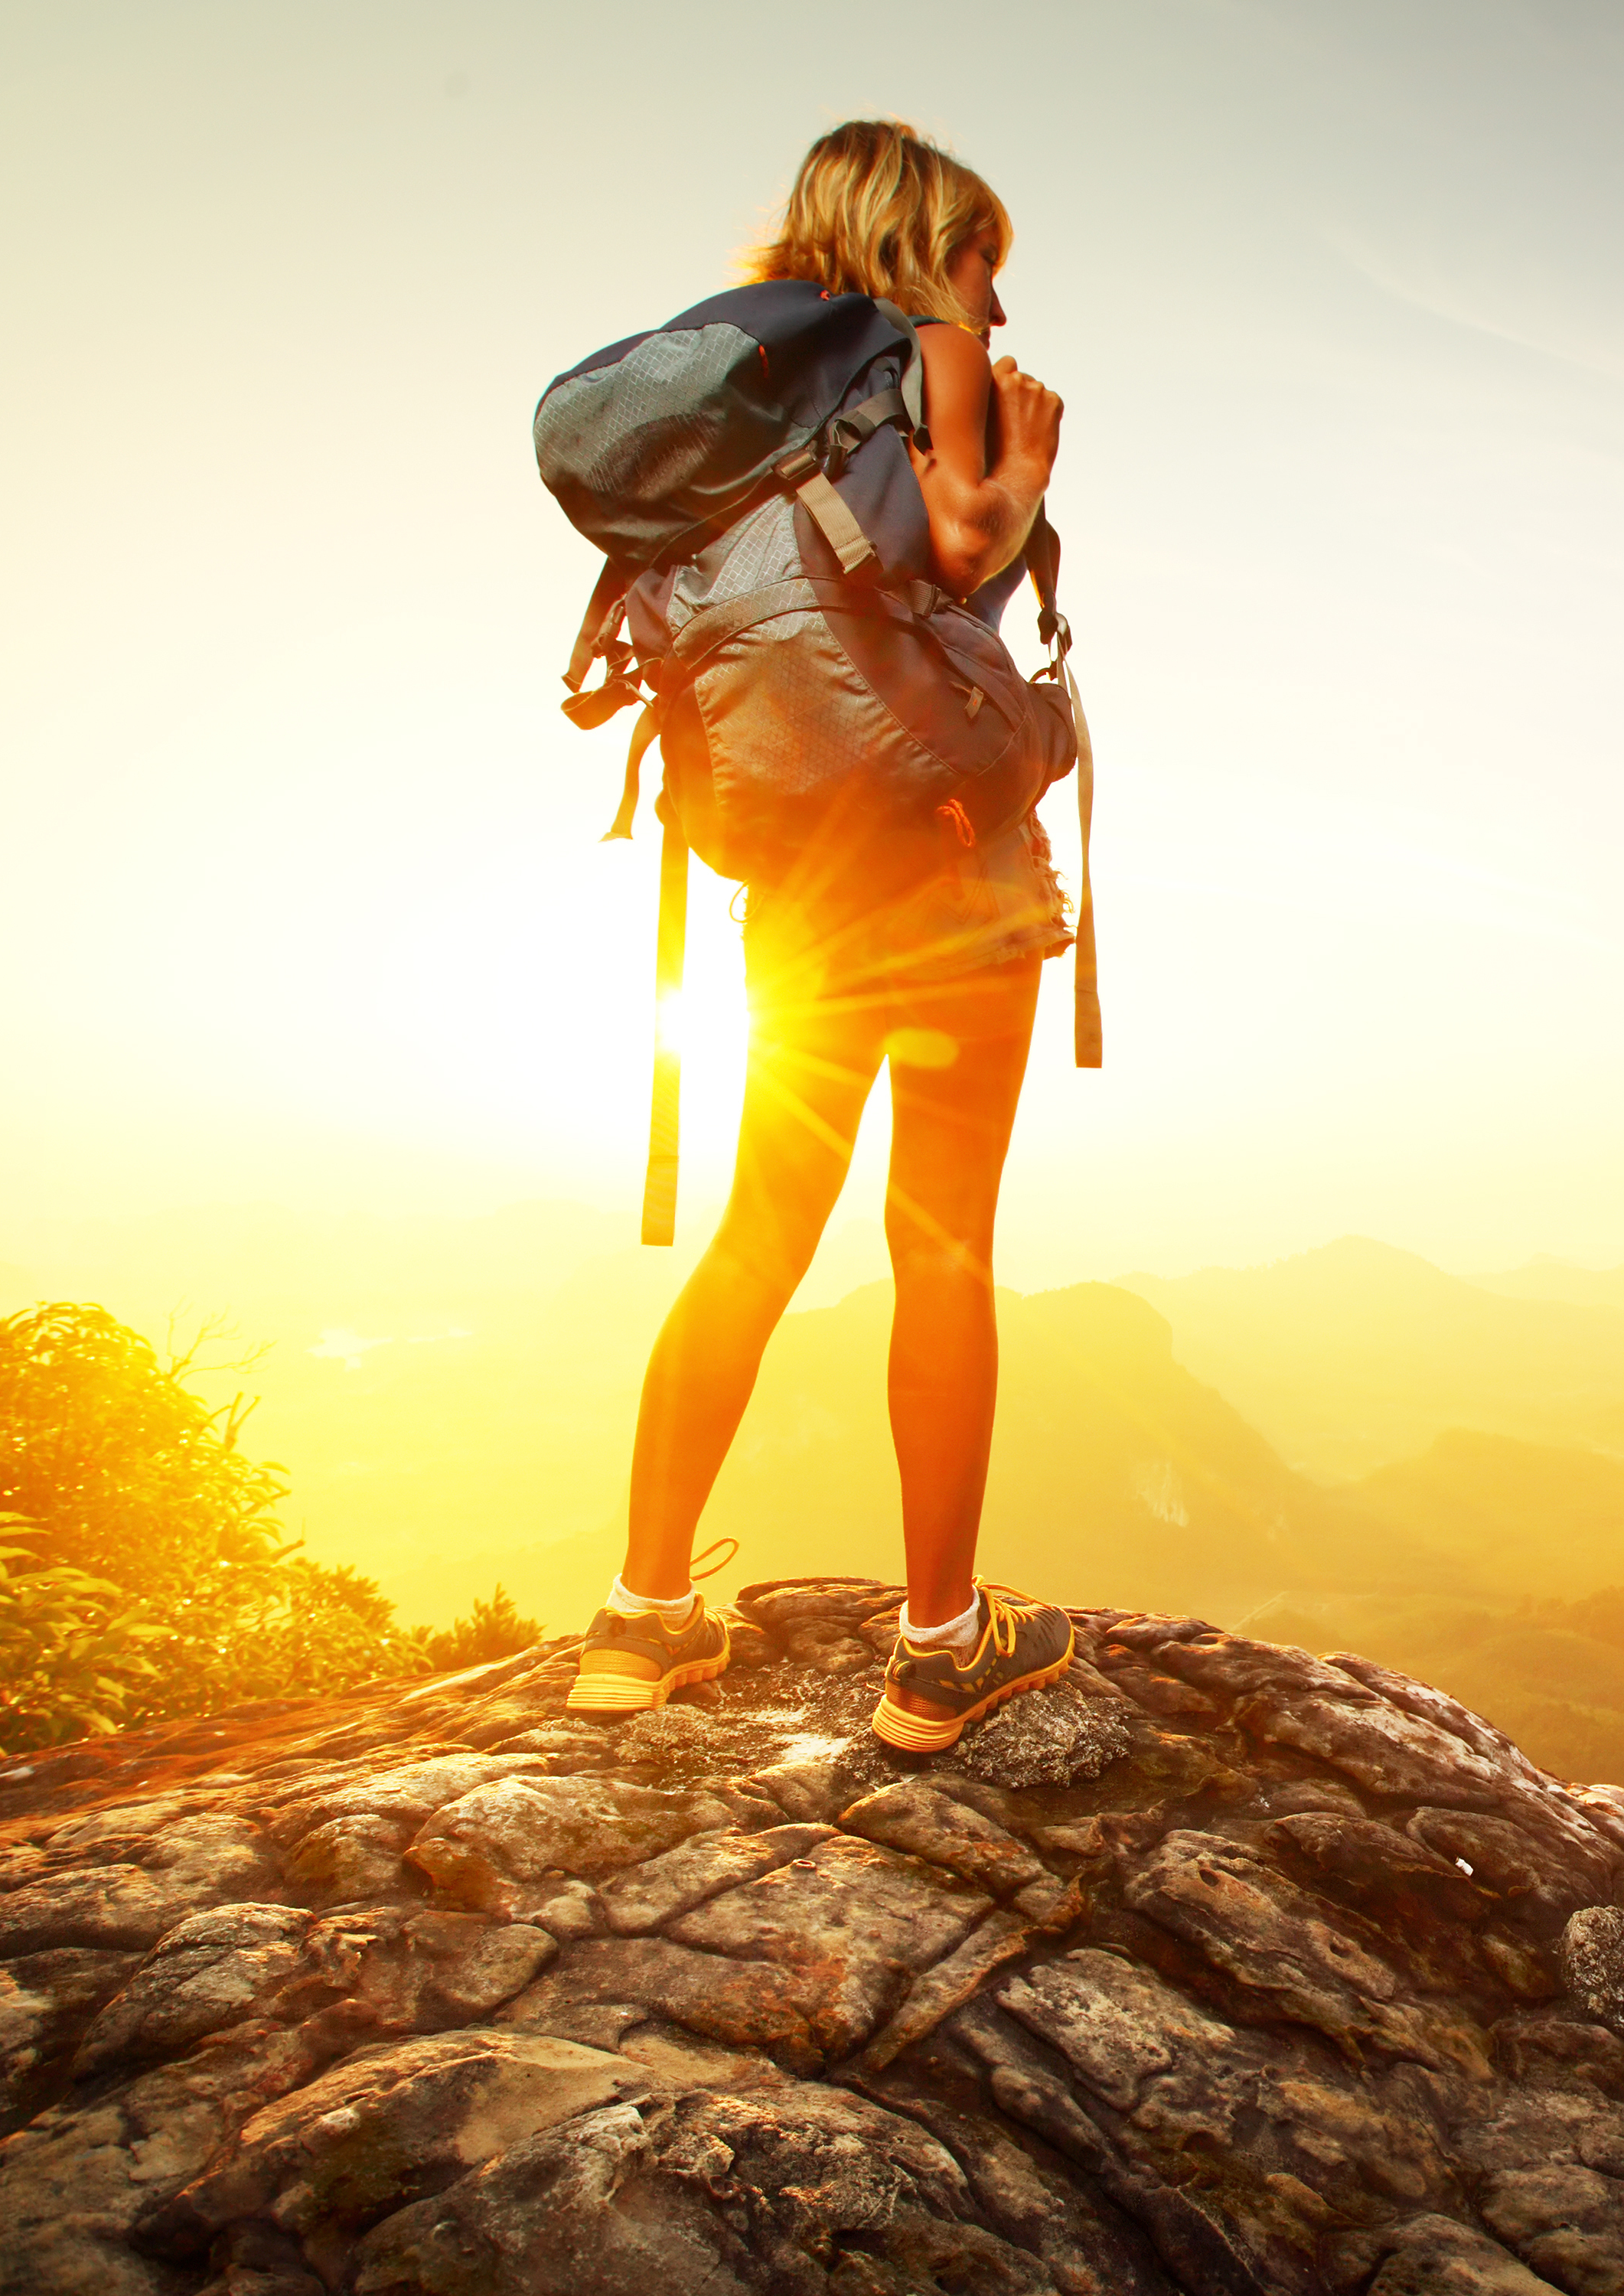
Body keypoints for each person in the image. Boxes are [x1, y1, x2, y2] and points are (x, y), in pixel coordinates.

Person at [565, 121, 1081, 1754]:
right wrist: (1023, 468)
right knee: (942, 1245)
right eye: (988, 264)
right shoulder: (925, 349)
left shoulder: (736, 408)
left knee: (760, 1235)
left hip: (794, 885)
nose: (998, 306)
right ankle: (940, 1648)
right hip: (951, 877)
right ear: (933, 244)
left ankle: (641, 1618)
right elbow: (962, 546)